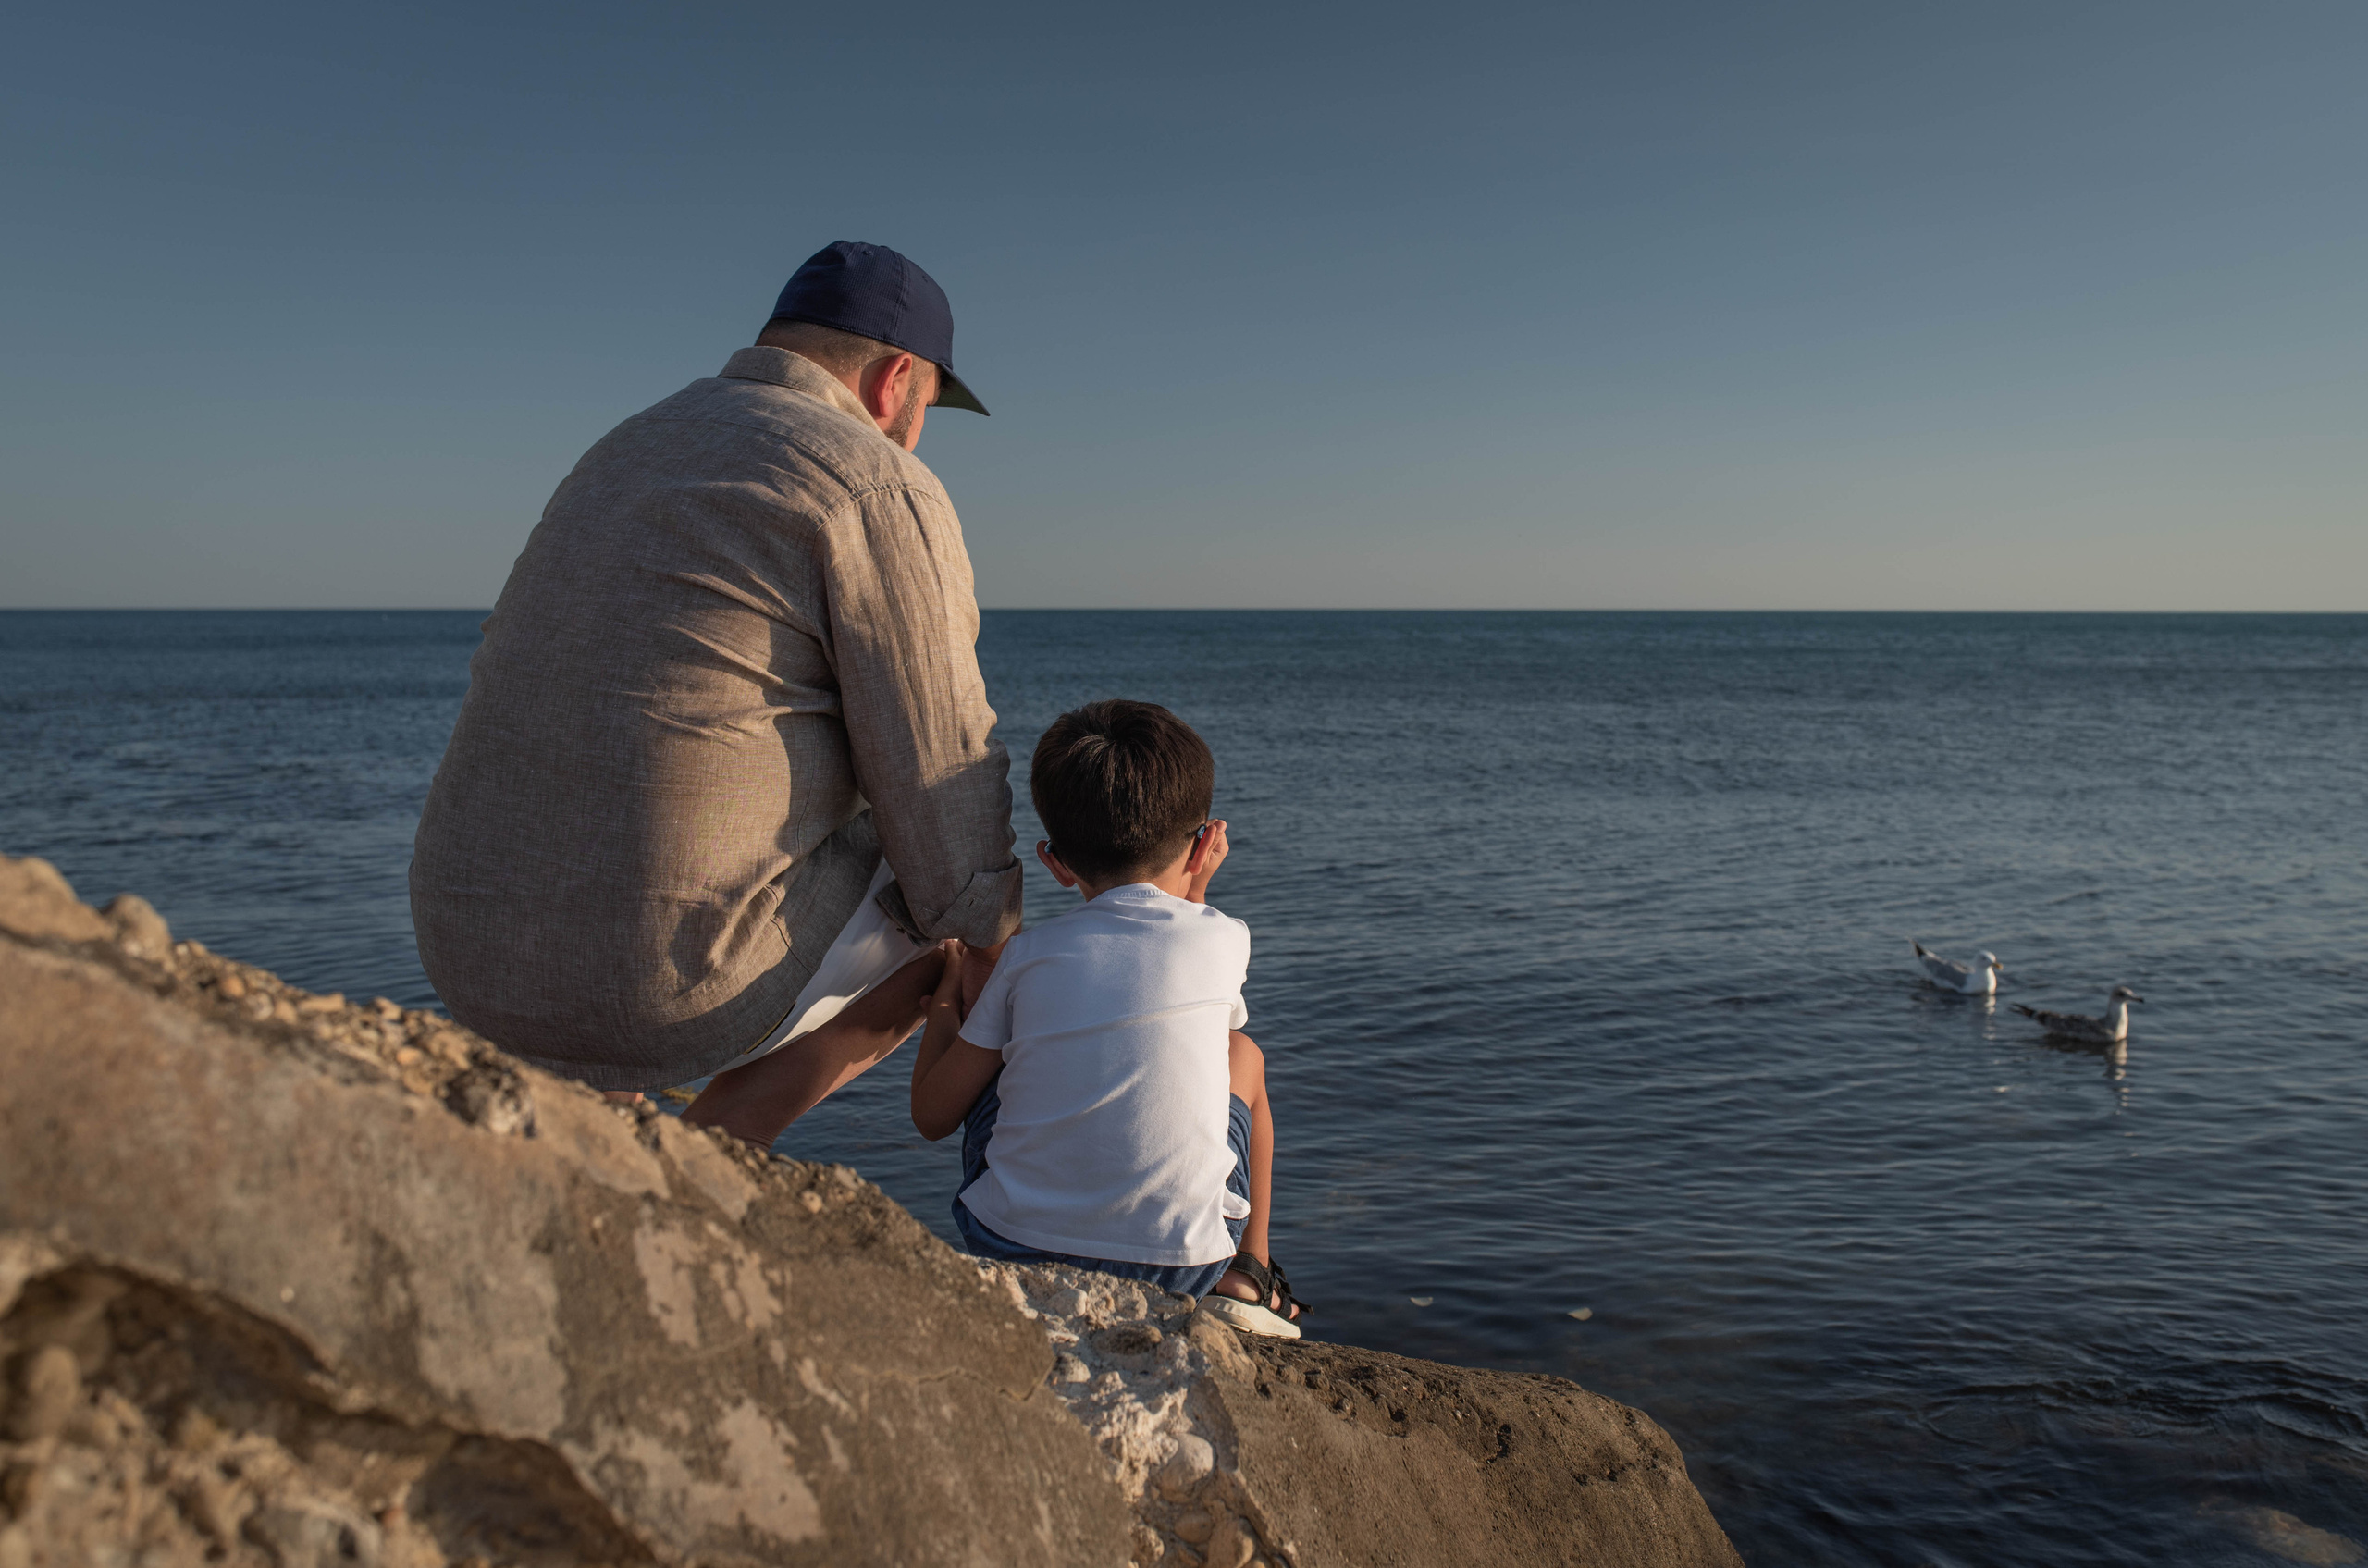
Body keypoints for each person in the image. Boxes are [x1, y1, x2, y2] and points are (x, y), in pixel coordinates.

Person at [410, 241, 1018, 1147]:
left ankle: (604, 1106)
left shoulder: (626, 445)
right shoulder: (875, 479)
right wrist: (1001, 961)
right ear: (894, 384)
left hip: (468, 952)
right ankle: (716, 1153)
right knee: (950, 888)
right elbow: (943, 780)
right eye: (926, 406)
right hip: (656, 992)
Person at [906, 700, 1311, 1337]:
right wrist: (1196, 889)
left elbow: (932, 1116)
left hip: (1011, 1244)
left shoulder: (1026, 955)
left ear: (1055, 862)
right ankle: (1248, 1271)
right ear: (1206, 843)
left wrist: (946, 999)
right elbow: (1184, 956)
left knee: (1008, 1055)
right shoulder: (1227, 937)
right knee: (1244, 1056)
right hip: (1186, 1263)